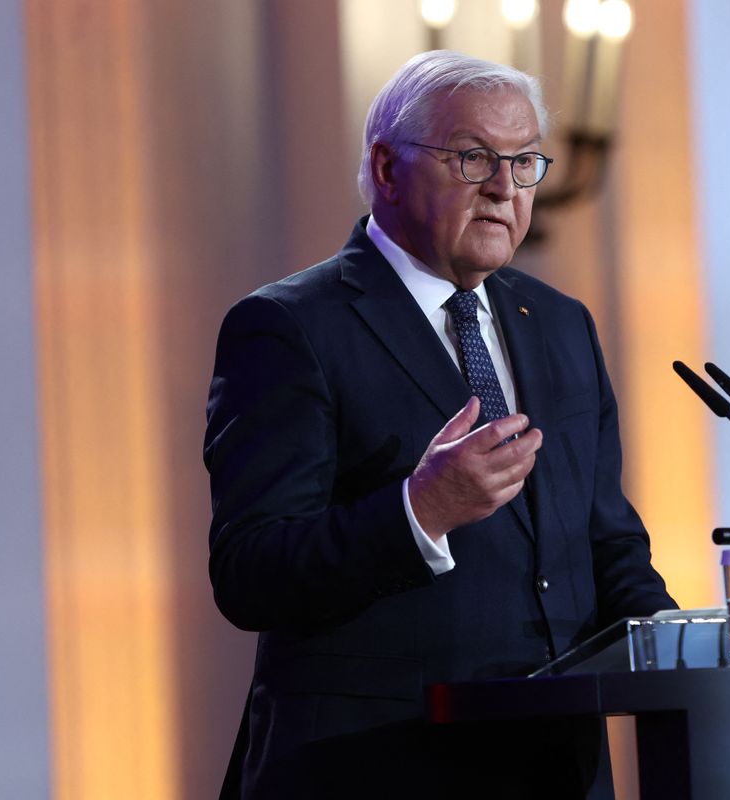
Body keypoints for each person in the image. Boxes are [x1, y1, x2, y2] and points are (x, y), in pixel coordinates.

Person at [204, 50, 676, 798]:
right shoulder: (290, 327)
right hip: (375, 768)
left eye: (525, 164)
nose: (503, 187)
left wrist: (694, 650)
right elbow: (250, 573)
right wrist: (420, 511)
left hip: (552, 767)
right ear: (388, 170)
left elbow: (607, 544)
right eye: (473, 157)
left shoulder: (559, 324)